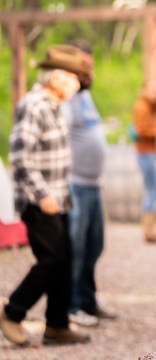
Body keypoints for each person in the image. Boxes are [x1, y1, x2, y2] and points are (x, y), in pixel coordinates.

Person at [1, 45, 91, 346]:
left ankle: (57, 324)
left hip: (59, 196)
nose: (77, 84)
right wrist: (42, 195)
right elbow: (20, 155)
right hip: (39, 199)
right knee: (51, 259)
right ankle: (12, 312)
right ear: (56, 77)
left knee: (64, 258)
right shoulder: (34, 104)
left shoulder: (54, 105)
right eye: (73, 77)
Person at [61, 42, 116, 328]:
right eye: (83, 65)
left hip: (93, 185)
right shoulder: (65, 100)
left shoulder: (85, 97)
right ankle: (70, 306)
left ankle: (88, 299)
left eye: (90, 65)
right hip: (75, 185)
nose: (88, 71)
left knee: (94, 246)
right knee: (76, 247)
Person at [133, 80, 156, 243]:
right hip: (146, 152)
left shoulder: (151, 107)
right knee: (151, 190)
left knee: (153, 190)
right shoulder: (141, 107)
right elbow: (141, 129)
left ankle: (151, 228)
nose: (155, 94)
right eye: (151, 91)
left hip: (150, 152)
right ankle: (148, 230)